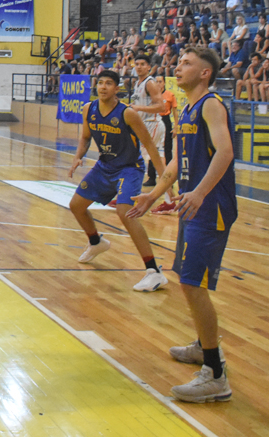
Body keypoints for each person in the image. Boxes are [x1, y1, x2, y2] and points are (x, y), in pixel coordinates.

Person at [130, 47, 238, 403]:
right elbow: (177, 162)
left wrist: (201, 192)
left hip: (211, 206)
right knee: (187, 280)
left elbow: (225, 152)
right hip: (194, 203)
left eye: (188, 63)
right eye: (180, 61)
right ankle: (204, 345)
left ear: (205, 73)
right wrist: (154, 194)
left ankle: (215, 374)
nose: (179, 66)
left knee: (193, 283)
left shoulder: (210, 104)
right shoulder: (184, 108)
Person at [67, 69, 168, 292]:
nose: (103, 86)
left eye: (108, 83)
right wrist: (77, 158)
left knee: (125, 213)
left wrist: (165, 178)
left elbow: (150, 146)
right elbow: (85, 137)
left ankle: (153, 271)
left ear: (117, 88)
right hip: (104, 166)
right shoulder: (88, 109)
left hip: (129, 168)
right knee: (76, 206)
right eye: (100, 82)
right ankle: (96, 242)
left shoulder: (127, 113)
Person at [130, 54, 166, 188]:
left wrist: (137, 107)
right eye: (137, 64)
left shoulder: (150, 82)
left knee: (133, 159)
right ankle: (169, 197)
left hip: (152, 124)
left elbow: (161, 106)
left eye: (142, 64)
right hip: (145, 124)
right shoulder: (137, 83)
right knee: (159, 162)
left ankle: (128, 193)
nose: (139, 67)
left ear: (149, 67)